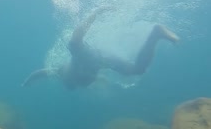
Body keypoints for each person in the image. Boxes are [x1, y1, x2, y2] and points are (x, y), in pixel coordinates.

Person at [21, 6, 180, 90]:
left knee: (74, 44)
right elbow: (97, 78)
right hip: (102, 60)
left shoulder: (61, 72)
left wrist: (28, 81)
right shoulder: (77, 79)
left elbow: (40, 73)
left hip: (86, 56)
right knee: (137, 70)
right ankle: (156, 33)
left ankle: (96, 12)